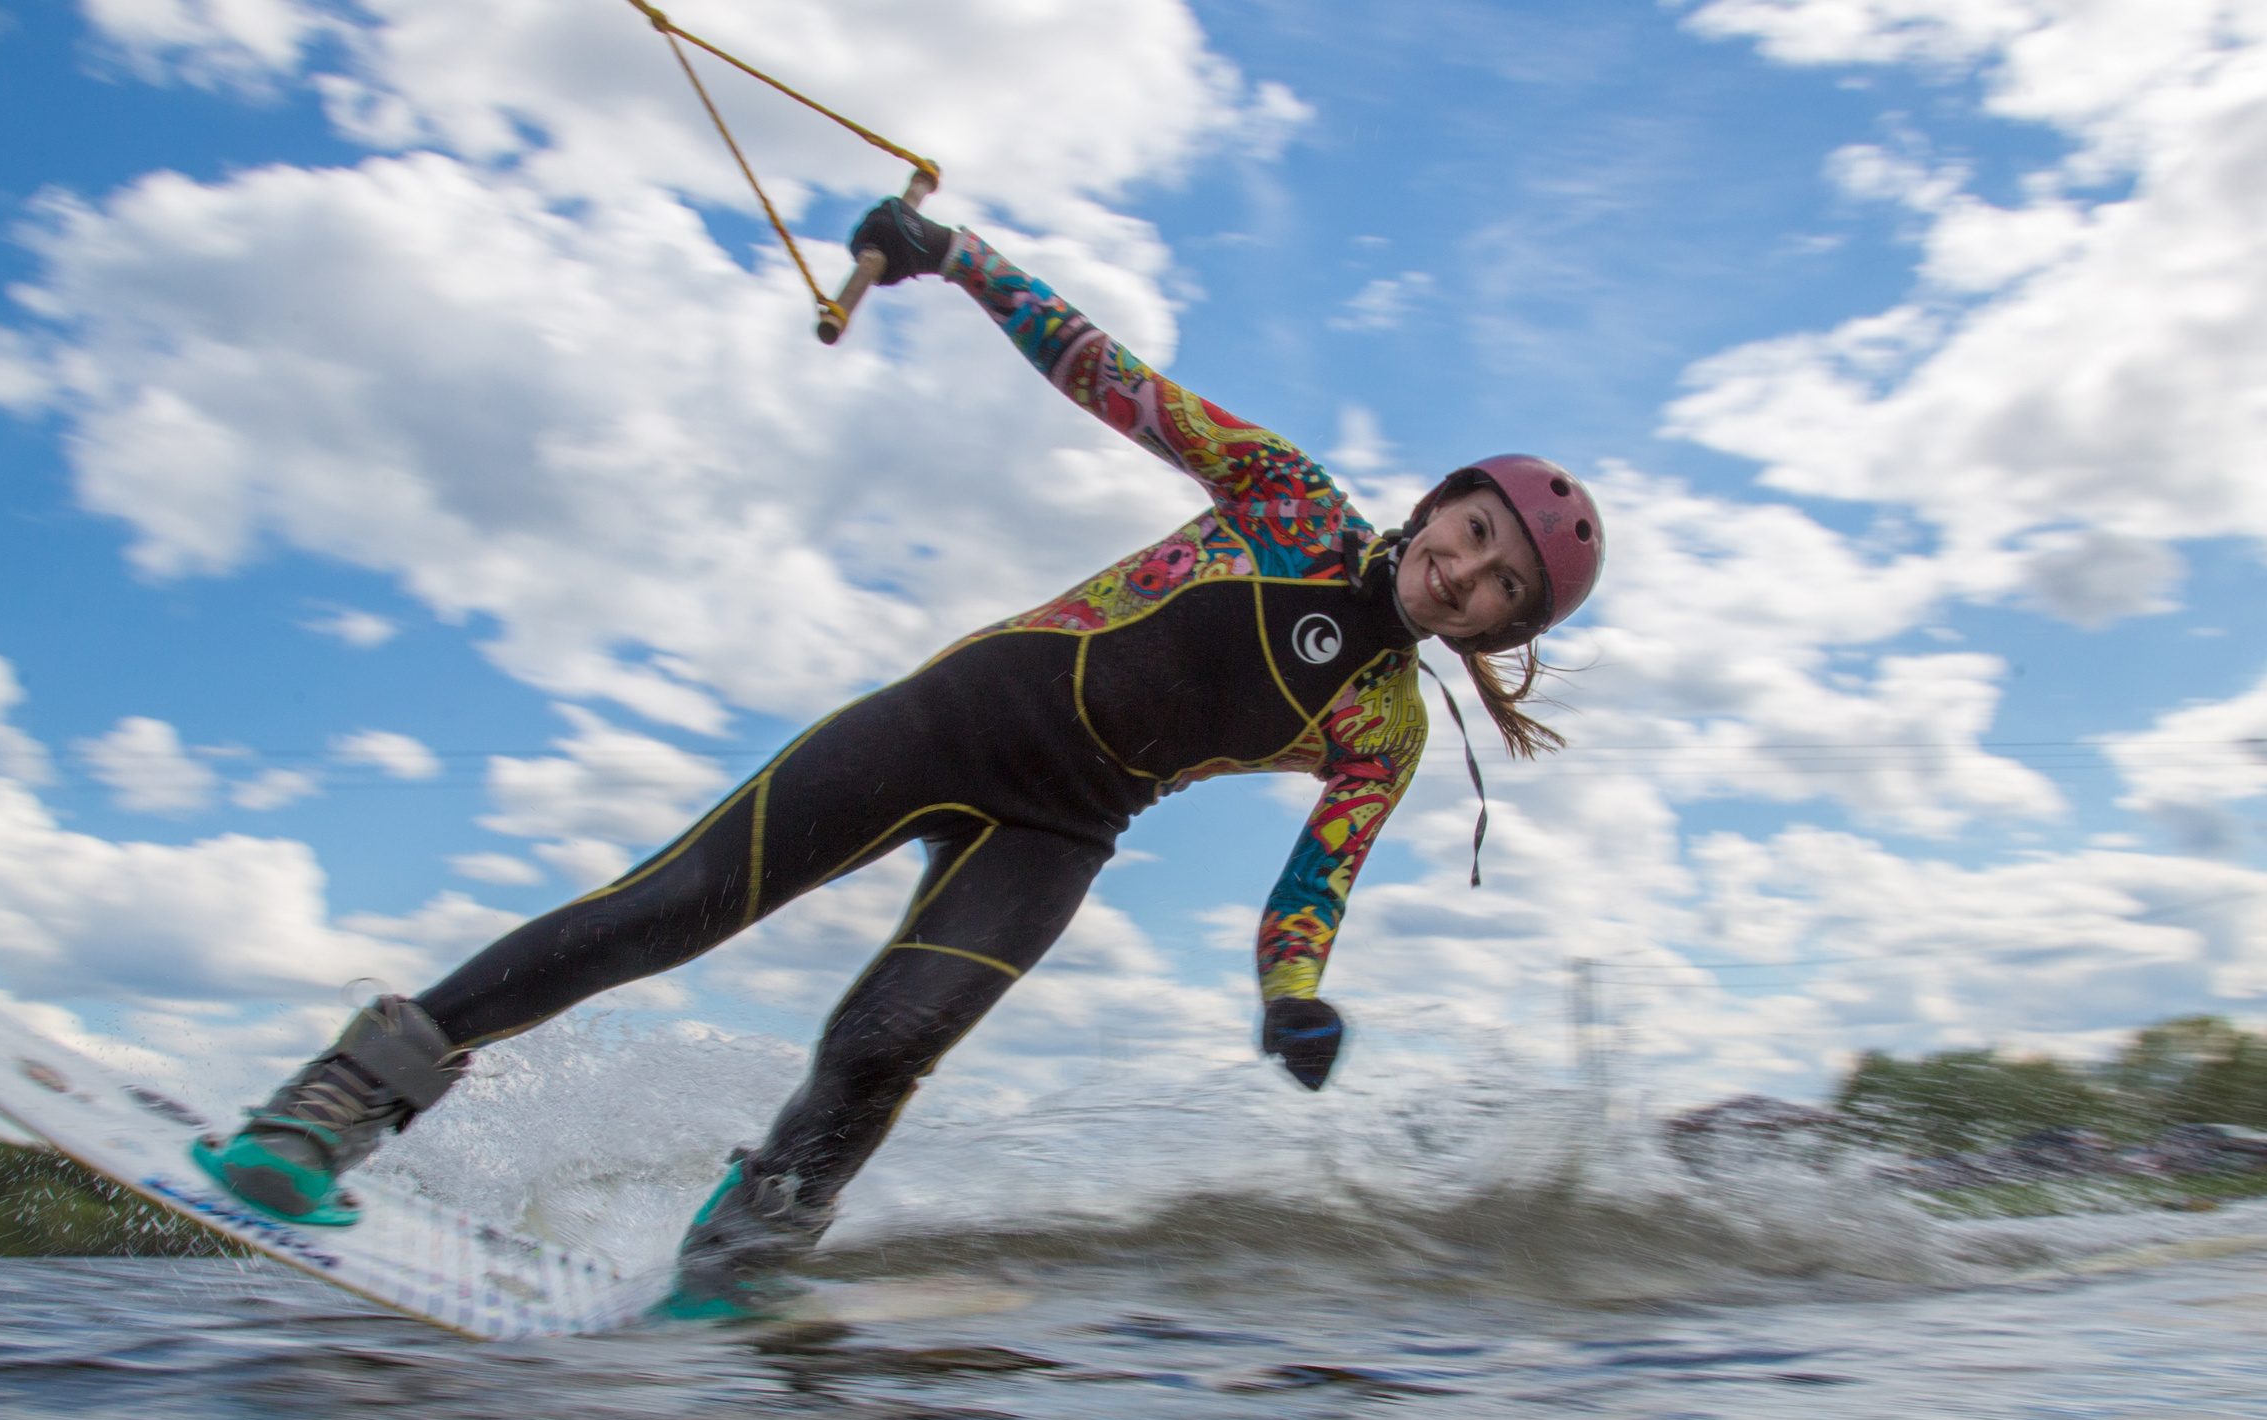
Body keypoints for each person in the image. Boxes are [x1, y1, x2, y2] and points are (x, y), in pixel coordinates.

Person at [194, 198, 1605, 1311]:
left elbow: (1316, 888)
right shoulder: (1287, 497)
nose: (1464, 574)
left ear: (1501, 632)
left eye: (1499, 592)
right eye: (1470, 533)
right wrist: (958, 259)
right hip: (952, 723)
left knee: (882, 1050)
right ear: (1439, 504)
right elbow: (1108, 376)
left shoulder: (1385, 725)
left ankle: (742, 1263)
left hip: (1063, 835)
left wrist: (1293, 996)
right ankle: (332, 1108)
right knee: (666, 912)